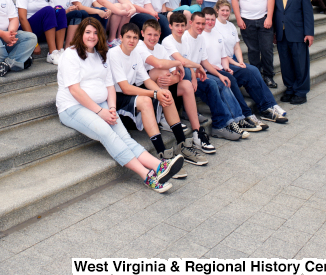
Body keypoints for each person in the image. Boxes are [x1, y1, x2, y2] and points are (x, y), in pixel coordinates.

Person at [57, 18, 182, 193]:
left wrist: (112, 108)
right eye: (88, 32)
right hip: (73, 107)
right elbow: (75, 90)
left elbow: (109, 85)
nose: (92, 36)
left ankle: (159, 166)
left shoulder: (101, 54)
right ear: (80, 34)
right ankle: (146, 175)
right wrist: (100, 111)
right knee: (107, 132)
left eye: (95, 32)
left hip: (102, 104)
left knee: (124, 136)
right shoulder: (70, 54)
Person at [108, 22, 187, 166]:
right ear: (121, 38)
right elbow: (125, 88)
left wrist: (160, 92)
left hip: (128, 94)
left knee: (165, 94)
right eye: (128, 37)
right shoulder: (113, 53)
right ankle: (162, 154)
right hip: (115, 98)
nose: (131, 41)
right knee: (146, 100)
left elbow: (145, 79)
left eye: (134, 37)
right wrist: (154, 93)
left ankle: (183, 143)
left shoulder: (135, 53)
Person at [136, 19, 212, 164]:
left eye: (156, 35)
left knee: (186, 85)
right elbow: (159, 64)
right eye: (149, 34)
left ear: (159, 35)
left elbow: (177, 74)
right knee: (162, 71)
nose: (152, 38)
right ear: (142, 34)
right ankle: (165, 117)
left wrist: (174, 78)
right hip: (143, 88)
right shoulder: (139, 45)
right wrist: (180, 64)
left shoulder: (159, 48)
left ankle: (195, 133)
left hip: (161, 86)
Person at [164, 11, 243, 141]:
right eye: (198, 23)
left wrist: (218, 74)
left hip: (191, 74)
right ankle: (223, 122)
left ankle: (228, 121)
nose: (200, 26)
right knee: (212, 83)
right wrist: (197, 71)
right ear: (190, 23)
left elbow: (203, 61)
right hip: (181, 77)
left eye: (202, 23)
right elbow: (184, 63)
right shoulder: (182, 38)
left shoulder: (199, 38)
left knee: (220, 80)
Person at [214, 0, 288, 124]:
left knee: (252, 70)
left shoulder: (231, 25)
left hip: (233, 60)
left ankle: (270, 106)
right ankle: (266, 107)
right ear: (217, 11)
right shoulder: (213, 26)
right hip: (223, 63)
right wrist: (237, 64)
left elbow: (237, 47)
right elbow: (221, 54)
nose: (225, 13)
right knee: (251, 71)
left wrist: (241, 62)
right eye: (222, 10)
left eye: (227, 10)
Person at [201, 6, 268, 131]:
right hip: (207, 70)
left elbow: (223, 56)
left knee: (247, 72)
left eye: (212, 19)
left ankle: (259, 110)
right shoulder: (200, 35)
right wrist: (217, 69)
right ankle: (245, 115)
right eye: (207, 19)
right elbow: (200, 59)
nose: (210, 22)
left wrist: (226, 68)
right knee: (229, 79)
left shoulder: (217, 34)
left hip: (220, 68)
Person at [230, 0, 276, 89]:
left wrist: (269, 17)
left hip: (263, 18)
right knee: (253, 50)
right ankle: (257, 76)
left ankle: (269, 75)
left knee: (267, 49)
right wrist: (238, 18)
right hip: (246, 19)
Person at [274, 0, 315, 104]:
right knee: (285, 64)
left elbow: (308, 13)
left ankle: (301, 91)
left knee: (300, 64)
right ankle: (290, 88)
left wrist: (309, 33)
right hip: (281, 34)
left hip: (298, 33)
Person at [16, 0, 67, 65]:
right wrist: (34, 43)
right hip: (27, 30)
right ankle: (52, 53)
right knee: (48, 10)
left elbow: (52, 14)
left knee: (60, 9)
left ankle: (60, 51)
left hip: (43, 30)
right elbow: (22, 18)